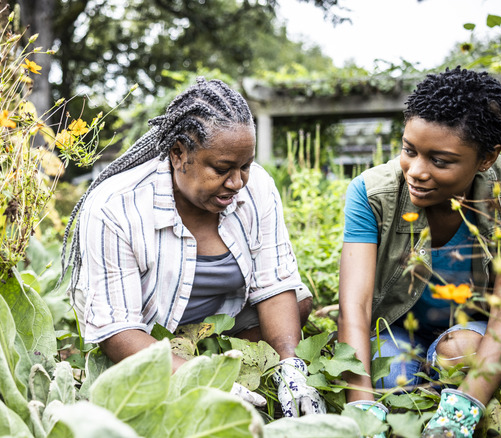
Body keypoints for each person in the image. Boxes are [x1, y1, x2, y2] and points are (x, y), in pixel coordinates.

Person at [60, 77, 325, 417]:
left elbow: (274, 285)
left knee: (296, 302)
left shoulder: (255, 187)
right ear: (178, 155)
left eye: (244, 166)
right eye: (222, 169)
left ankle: (234, 365)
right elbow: (118, 329)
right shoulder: (116, 206)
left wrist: (291, 369)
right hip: (145, 333)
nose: (237, 182)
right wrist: (201, 380)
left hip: (219, 324)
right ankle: (186, 369)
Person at [338, 67, 501, 437]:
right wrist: (360, 407)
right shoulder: (371, 194)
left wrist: (465, 410)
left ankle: (455, 398)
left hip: (475, 334)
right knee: (391, 380)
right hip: (398, 330)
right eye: (409, 150)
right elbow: (356, 306)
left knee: (459, 352)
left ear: (487, 158)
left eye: (440, 161)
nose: (416, 171)